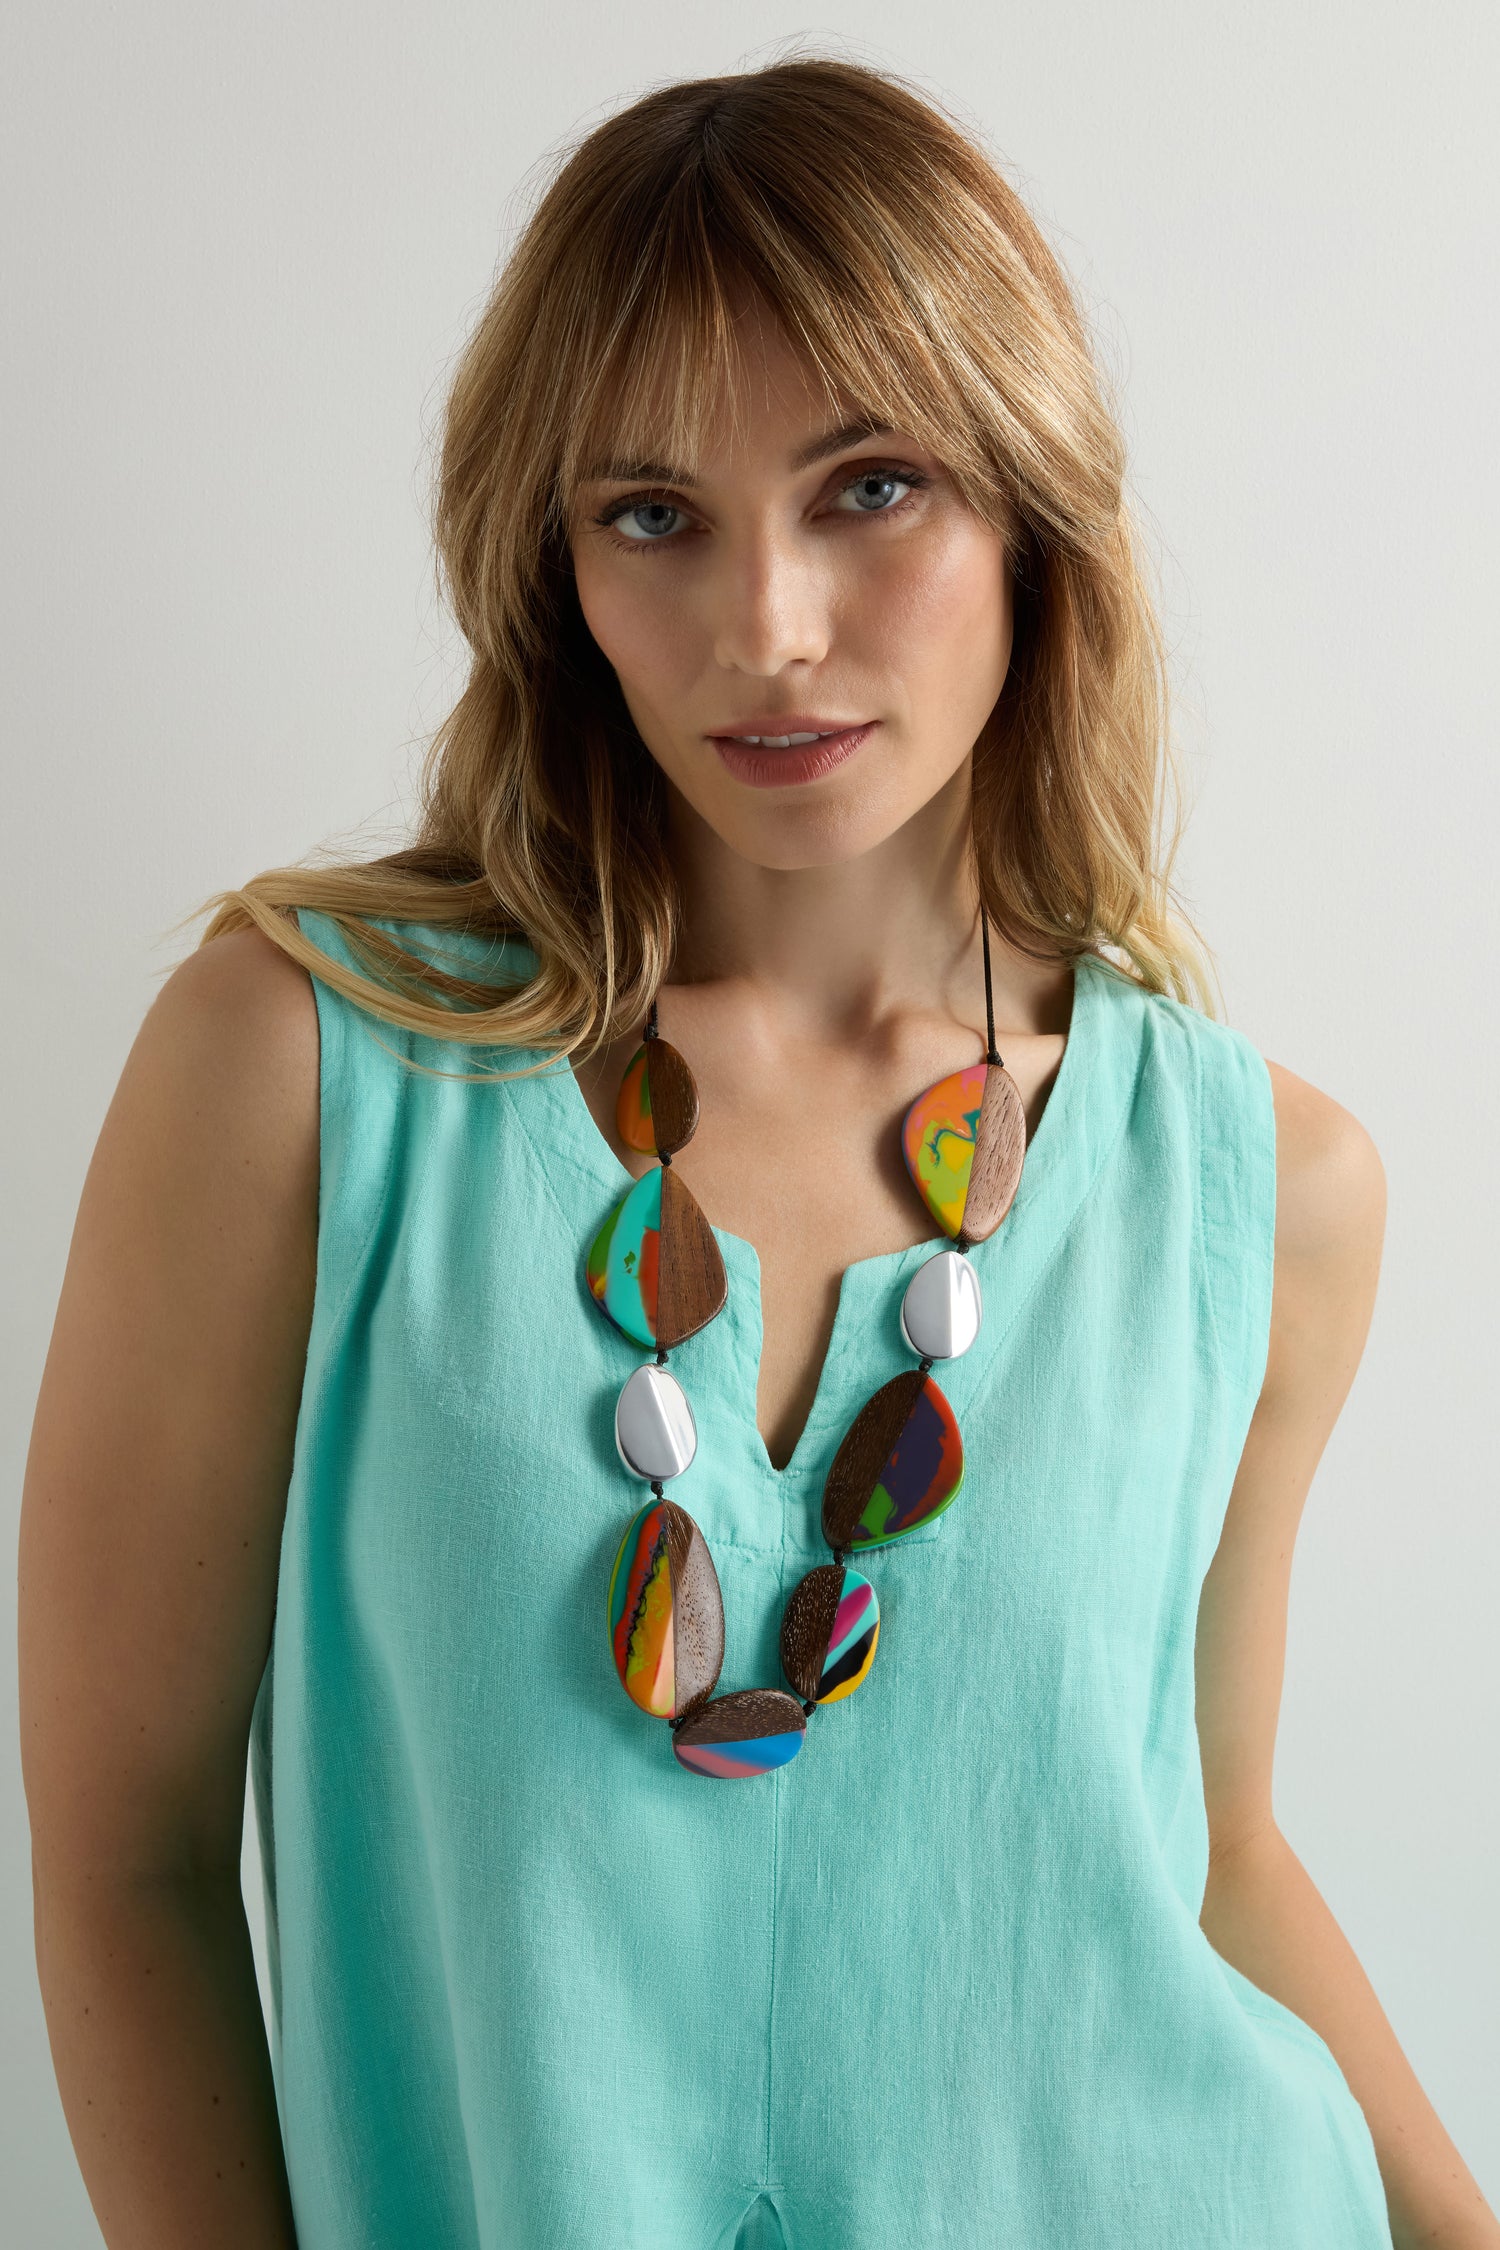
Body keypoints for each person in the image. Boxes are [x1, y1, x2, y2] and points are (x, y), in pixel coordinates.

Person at [18, 54, 1496, 2250]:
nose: (767, 627)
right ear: (558, 576)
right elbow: (125, 1860)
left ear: (1030, 514)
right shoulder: (302, 1072)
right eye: (651, 515)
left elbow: (1214, 1858)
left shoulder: (1263, 1192)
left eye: (870, 489)